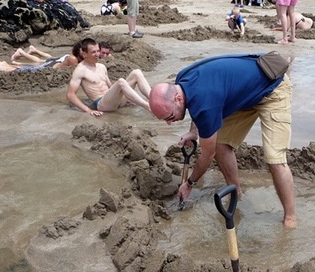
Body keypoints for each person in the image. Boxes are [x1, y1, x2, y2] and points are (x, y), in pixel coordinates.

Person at [148, 54, 297, 228]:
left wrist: (190, 183)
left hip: (273, 87)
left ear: (177, 99)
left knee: (274, 159)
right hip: (244, 96)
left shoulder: (205, 104)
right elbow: (195, 103)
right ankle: (235, 191)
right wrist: (193, 132)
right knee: (220, 144)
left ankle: (290, 218)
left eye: (170, 116)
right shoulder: (182, 80)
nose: (169, 122)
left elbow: (207, 154)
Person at [66, 38, 151, 117]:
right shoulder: (80, 70)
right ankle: (148, 107)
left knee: (136, 72)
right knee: (121, 81)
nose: (97, 54)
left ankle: (154, 100)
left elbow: (111, 87)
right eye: (93, 52)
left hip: (113, 101)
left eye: (98, 51)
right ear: (84, 54)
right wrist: (88, 110)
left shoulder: (102, 66)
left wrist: (129, 96)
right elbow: (70, 95)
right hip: (102, 104)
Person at [10, 45, 79, 69]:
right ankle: (21, 53)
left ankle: (33, 50)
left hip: (65, 57)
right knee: (40, 62)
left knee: (48, 59)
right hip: (63, 59)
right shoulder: (73, 60)